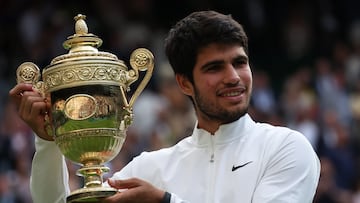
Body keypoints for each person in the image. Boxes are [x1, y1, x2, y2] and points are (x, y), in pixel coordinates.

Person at [9, 10, 320, 203]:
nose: (233, 77)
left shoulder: (285, 147)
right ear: (184, 83)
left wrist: (164, 202)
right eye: (214, 68)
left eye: (240, 63)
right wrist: (48, 142)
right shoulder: (150, 170)